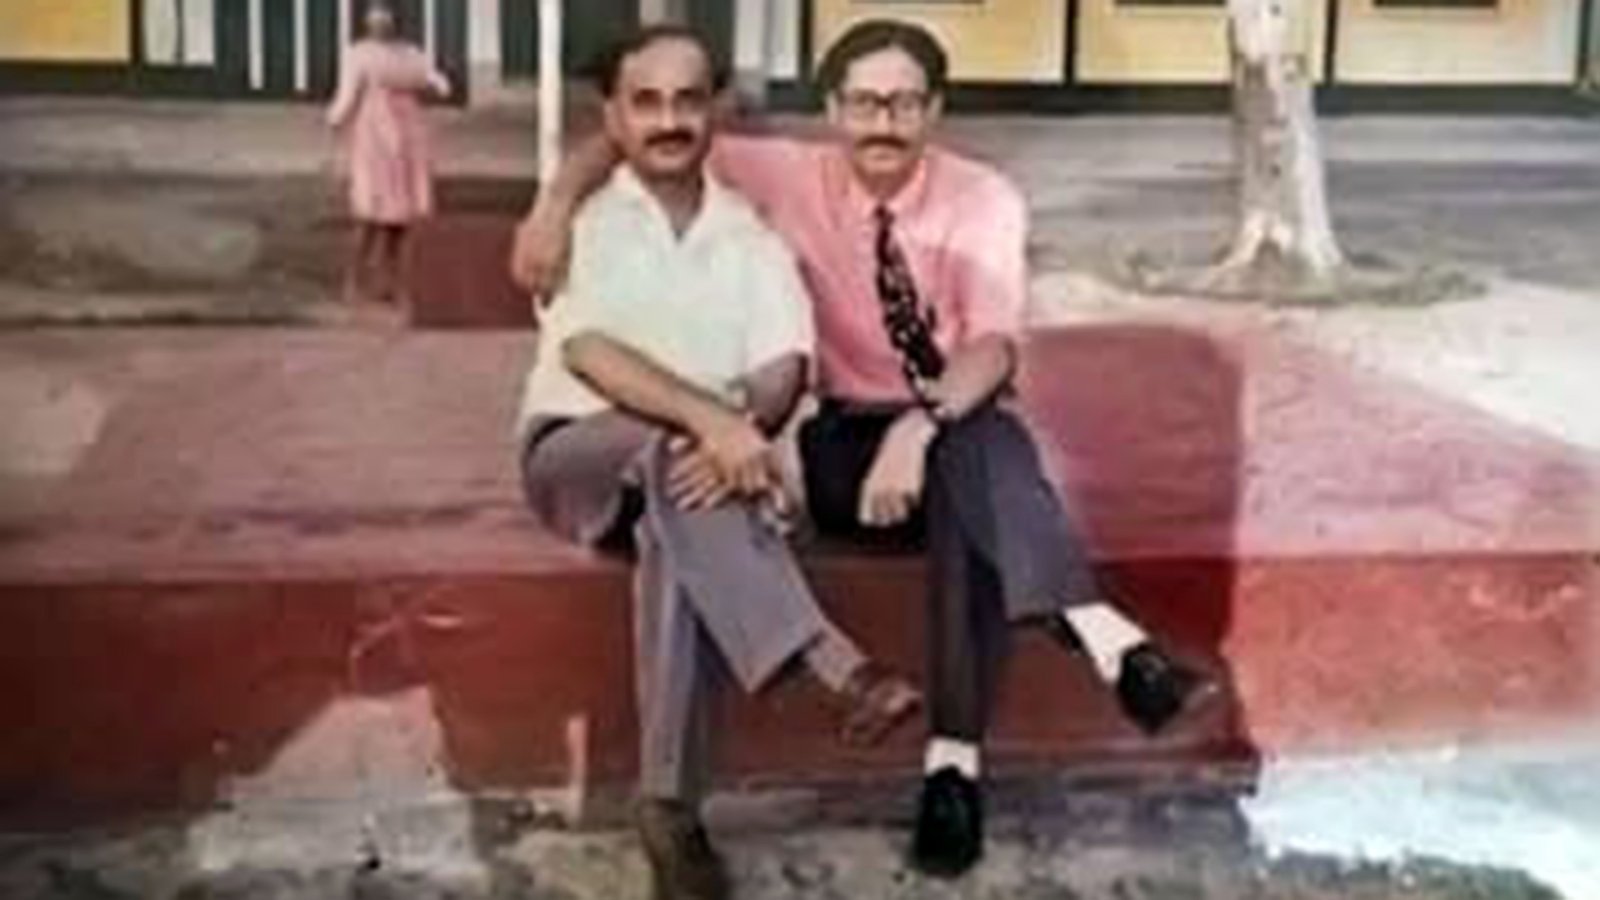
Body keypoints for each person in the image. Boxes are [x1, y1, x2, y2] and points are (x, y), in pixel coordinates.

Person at [512, 18, 1215, 882]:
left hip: (941, 419)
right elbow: (629, 170)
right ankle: (941, 665)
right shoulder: (736, 185)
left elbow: (985, 347)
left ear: (936, 110)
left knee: (974, 452)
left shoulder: (967, 201)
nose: (884, 123)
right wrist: (553, 201)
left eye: (905, 104)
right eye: (865, 103)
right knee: (693, 462)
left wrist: (908, 425)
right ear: (833, 110)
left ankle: (947, 770)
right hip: (797, 441)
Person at [514, 26, 920, 900]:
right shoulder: (586, 223)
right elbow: (590, 353)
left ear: (716, 110)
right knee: (679, 458)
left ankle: (669, 809)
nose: (669, 120)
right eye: (646, 101)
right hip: (576, 453)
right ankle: (833, 665)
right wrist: (715, 424)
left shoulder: (752, 237)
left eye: (688, 100)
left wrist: (738, 427)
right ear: (612, 116)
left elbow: (783, 370)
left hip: (690, 472)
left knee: (679, 517)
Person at [325, 0, 449, 307]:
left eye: (386, 16)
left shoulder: (409, 53)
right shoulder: (358, 54)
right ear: (366, 21)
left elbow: (430, 77)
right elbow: (347, 93)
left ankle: (391, 281)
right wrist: (336, 118)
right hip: (375, 137)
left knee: (400, 219)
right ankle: (354, 281)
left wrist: (437, 83)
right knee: (369, 215)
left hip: (407, 135)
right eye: (375, 17)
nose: (381, 23)